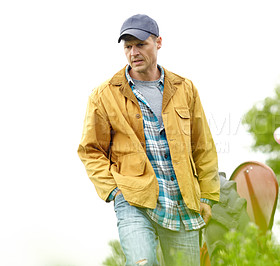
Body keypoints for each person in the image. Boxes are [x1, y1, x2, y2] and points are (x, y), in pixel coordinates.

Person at [77, 14, 220, 266]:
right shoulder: (104, 95)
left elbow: (203, 147)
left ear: (158, 43)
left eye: (141, 44)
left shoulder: (185, 88)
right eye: (128, 46)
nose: (133, 52)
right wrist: (115, 191)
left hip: (181, 203)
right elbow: (91, 150)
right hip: (134, 201)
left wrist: (207, 197)